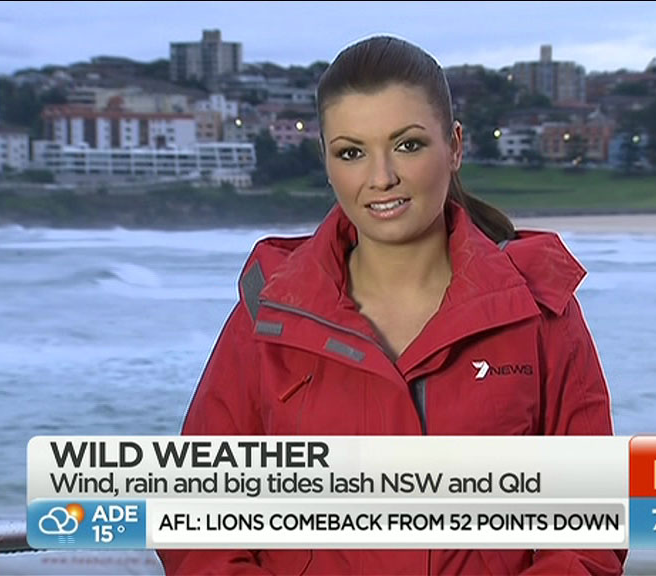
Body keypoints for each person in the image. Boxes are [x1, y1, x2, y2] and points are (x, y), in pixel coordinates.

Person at [157, 35, 625, 575]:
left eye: (408, 145)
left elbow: (589, 533)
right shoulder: (268, 315)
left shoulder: (539, 311)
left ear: (454, 146)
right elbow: (197, 525)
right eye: (351, 152)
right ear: (327, 162)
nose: (381, 178)